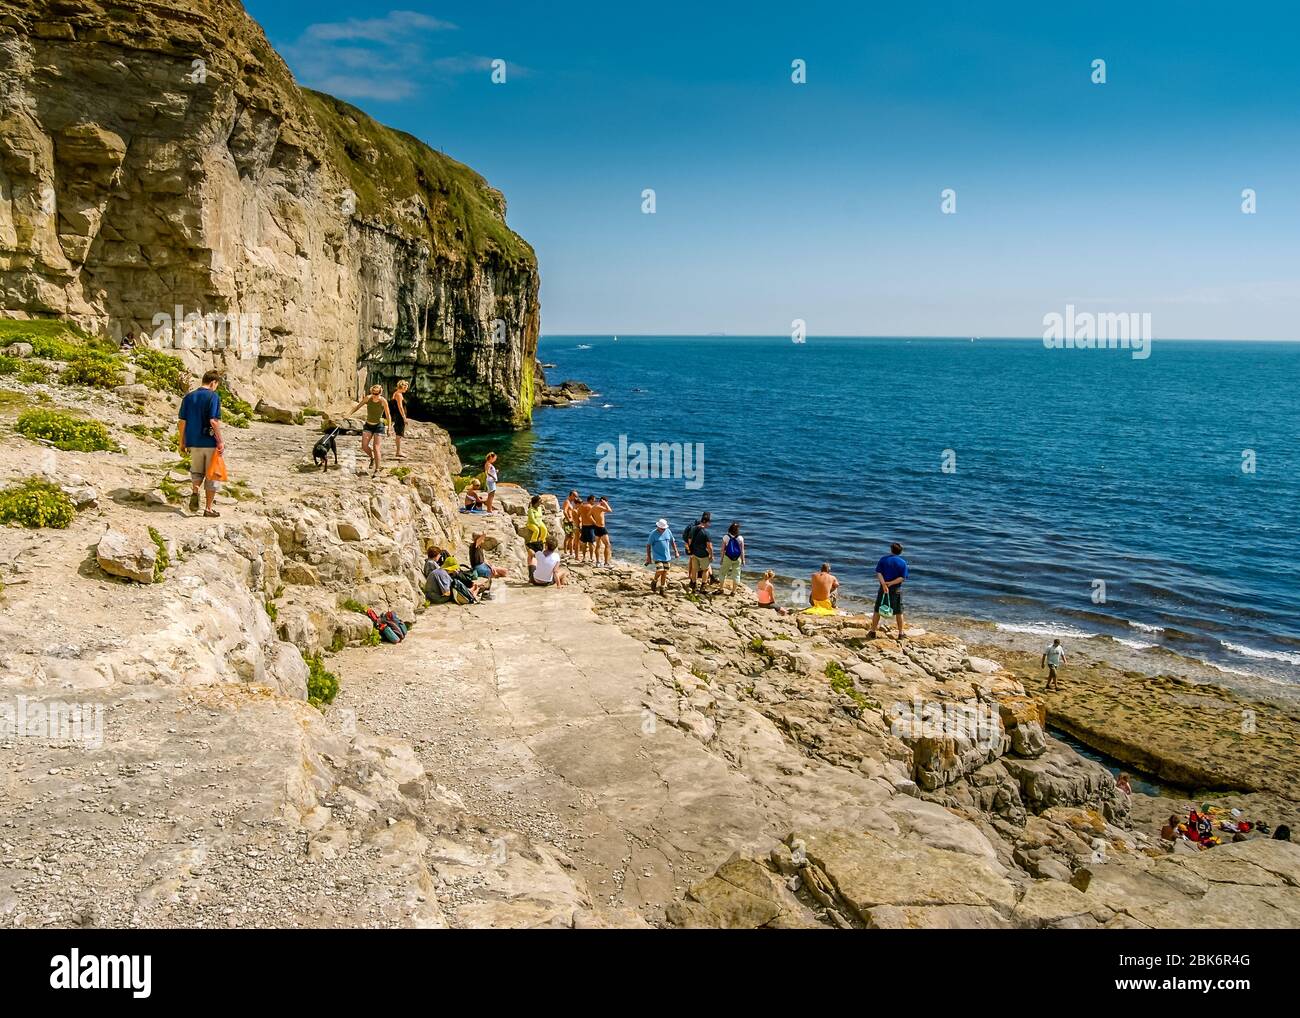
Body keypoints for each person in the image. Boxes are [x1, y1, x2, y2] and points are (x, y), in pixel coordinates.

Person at [177, 369, 224, 518]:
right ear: (213, 383)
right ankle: (208, 509)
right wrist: (220, 441)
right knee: (212, 475)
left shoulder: (189, 397)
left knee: (196, 471)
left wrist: (182, 442)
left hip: (193, 442)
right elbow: (213, 421)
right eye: (216, 385)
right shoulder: (213, 396)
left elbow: (182, 422)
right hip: (209, 442)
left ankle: (195, 491)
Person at [349, 384, 392, 476]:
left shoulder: (383, 401)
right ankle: (372, 458)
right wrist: (349, 414)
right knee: (364, 446)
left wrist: (389, 428)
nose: (375, 395)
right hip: (368, 425)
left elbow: (388, 415)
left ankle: (377, 469)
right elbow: (358, 406)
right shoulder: (368, 398)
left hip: (378, 426)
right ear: (371, 392)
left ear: (380, 393)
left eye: (377, 394)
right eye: (373, 393)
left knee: (376, 447)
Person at [868, 542, 908, 639]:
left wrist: (884, 584)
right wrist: (890, 584)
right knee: (899, 611)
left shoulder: (883, 559)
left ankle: (873, 631)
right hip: (896, 589)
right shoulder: (903, 563)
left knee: (878, 609)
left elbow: (879, 573)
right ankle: (901, 633)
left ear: (891, 550)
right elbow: (902, 578)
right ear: (901, 551)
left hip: (883, 587)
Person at [645, 518, 678, 595]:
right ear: (658, 527)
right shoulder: (653, 534)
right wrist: (649, 557)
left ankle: (662, 589)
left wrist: (676, 552)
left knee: (665, 572)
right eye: (662, 528)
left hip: (667, 556)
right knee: (660, 570)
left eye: (664, 528)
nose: (663, 530)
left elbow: (672, 542)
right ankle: (654, 581)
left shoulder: (668, 531)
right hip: (657, 556)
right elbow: (648, 545)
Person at [469, 532, 507, 598]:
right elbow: (478, 540)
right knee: (497, 574)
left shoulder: (479, 547)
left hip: (483, 565)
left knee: (504, 571)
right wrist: (484, 534)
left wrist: (491, 566)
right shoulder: (474, 546)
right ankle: (486, 592)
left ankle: (487, 590)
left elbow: (484, 560)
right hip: (478, 568)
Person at [686, 512, 713, 593]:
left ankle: (693, 584)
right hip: (703, 555)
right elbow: (709, 546)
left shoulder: (693, 529)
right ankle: (703, 586)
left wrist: (692, 550)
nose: (709, 524)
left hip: (694, 553)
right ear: (706, 522)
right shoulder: (706, 533)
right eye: (709, 523)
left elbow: (689, 540)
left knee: (694, 569)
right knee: (706, 570)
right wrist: (711, 555)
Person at [719, 521, 745, 595]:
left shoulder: (726, 537)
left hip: (727, 557)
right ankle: (733, 591)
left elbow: (722, 549)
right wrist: (743, 560)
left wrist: (721, 559)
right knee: (736, 574)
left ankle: (721, 588)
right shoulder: (740, 538)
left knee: (723, 573)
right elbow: (742, 550)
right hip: (737, 558)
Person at [525, 495, 548, 572]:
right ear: (535, 503)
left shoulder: (539, 508)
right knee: (536, 530)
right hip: (531, 523)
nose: (540, 503)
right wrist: (537, 524)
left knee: (544, 529)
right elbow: (532, 519)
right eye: (539, 502)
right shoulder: (530, 510)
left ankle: (541, 541)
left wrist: (540, 523)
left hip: (539, 522)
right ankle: (533, 543)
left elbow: (540, 517)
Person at [389, 380, 410, 460]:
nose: (406, 389)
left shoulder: (396, 393)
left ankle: (398, 451)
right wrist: (404, 418)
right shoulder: (398, 394)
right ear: (403, 386)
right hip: (399, 416)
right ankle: (398, 452)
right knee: (399, 434)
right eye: (406, 387)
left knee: (399, 434)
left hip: (398, 416)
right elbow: (400, 407)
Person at [591, 496, 613, 566]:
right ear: (602, 501)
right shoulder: (600, 507)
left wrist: (594, 522)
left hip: (596, 527)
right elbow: (610, 510)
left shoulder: (594, 507)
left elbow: (589, 515)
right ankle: (606, 563)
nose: (606, 504)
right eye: (606, 502)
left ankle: (598, 562)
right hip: (601, 528)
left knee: (598, 545)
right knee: (607, 545)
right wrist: (605, 503)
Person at [578, 495, 598, 563]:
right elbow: (592, 517)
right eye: (594, 500)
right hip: (590, 527)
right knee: (591, 543)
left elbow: (578, 516)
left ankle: (583, 557)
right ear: (590, 500)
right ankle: (591, 558)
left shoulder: (581, 506)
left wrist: (578, 526)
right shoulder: (591, 507)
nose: (594, 502)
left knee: (584, 543)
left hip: (584, 526)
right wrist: (596, 524)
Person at [563, 490, 582, 555]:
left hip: (571, 522)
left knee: (571, 537)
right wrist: (568, 520)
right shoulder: (567, 502)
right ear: (572, 495)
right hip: (568, 521)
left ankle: (571, 552)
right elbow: (564, 511)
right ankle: (565, 551)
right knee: (568, 537)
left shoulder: (571, 503)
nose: (576, 498)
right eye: (575, 496)